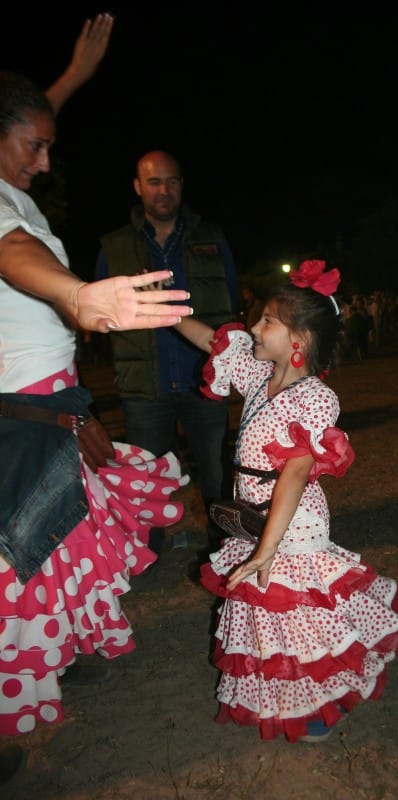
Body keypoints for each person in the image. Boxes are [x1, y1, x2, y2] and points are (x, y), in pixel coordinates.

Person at [0, 61, 194, 758]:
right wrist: (76, 294)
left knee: (62, 540)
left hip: (53, 401)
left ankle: (56, 651)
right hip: (15, 413)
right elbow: (13, 253)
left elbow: (20, 118)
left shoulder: (13, 187)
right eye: (35, 146)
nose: (46, 161)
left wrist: (72, 77)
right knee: (20, 557)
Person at [176, 259, 398, 743]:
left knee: (298, 615)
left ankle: (319, 702)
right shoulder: (261, 376)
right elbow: (209, 339)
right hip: (256, 518)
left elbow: (297, 472)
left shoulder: (314, 398)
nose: (253, 327)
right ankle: (290, 695)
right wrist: (162, 311)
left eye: (267, 321)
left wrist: (268, 546)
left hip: (293, 523)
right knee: (271, 616)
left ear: (298, 340)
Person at [94, 150, 238, 561]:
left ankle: (226, 548)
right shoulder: (115, 246)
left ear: (181, 185)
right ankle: (146, 552)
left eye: (171, 181)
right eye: (154, 182)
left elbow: (227, 301)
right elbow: (100, 311)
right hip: (145, 386)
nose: (163, 190)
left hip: (203, 380)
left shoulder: (211, 238)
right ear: (138, 188)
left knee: (216, 471)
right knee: (143, 478)